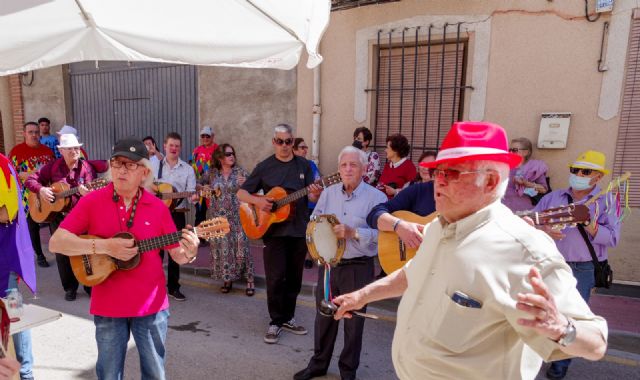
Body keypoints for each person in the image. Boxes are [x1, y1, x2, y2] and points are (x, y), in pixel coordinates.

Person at [333, 121, 608, 380]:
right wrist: (360, 296)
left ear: (489, 182)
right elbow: (414, 272)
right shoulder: (441, 227)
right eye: (437, 172)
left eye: (450, 173)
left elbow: (596, 342)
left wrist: (562, 329)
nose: (437, 182)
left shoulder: (523, 252)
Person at [48, 137, 200, 380]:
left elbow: (177, 254)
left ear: (144, 172)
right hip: (108, 305)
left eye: (130, 165)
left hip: (151, 307)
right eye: (117, 163)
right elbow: (57, 242)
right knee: (108, 374)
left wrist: (190, 252)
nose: (121, 170)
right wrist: (106, 246)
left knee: (154, 373)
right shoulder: (92, 202)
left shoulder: (158, 207)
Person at [294, 146, 387, 380]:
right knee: (324, 318)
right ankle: (318, 364)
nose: (347, 169)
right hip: (329, 267)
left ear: (364, 169)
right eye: (344, 165)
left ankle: (348, 371)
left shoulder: (377, 198)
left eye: (353, 165)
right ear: (338, 169)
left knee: (353, 323)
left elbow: (384, 237)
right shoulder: (329, 193)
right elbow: (317, 222)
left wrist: (354, 232)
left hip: (358, 267)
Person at [534, 150, 620, 380]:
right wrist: (542, 228)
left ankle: (558, 368)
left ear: (598, 177)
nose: (578, 174)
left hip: (582, 269)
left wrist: (590, 224)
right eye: (575, 170)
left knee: (569, 317)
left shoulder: (607, 201)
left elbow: (612, 238)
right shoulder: (554, 198)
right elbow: (530, 223)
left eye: (585, 171)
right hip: (550, 263)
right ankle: (535, 356)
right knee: (540, 311)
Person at [237, 123, 321, 344]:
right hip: (273, 232)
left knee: (294, 279)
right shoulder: (265, 167)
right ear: (274, 142)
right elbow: (242, 192)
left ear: (293, 142)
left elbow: (311, 199)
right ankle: (275, 321)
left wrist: (316, 194)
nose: (285, 146)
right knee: (275, 278)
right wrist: (259, 201)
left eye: (289, 141)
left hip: (298, 230)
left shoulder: (304, 165)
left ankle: (288, 318)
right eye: (280, 141)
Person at [24, 134, 99, 301]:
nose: (74, 151)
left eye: (77, 148)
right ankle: (70, 288)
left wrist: (87, 195)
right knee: (62, 254)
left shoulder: (86, 168)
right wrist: (41, 190)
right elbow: (30, 180)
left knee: (85, 251)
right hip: (59, 217)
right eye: (70, 148)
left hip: (82, 216)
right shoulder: (53, 167)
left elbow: (95, 194)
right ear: (62, 151)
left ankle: (89, 285)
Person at [0, 153, 37, 380]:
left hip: (6, 261)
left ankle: (25, 373)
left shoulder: (2, 165)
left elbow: (8, 212)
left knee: (14, 315)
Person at [201, 144, 254, 296]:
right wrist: (203, 189)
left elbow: (255, 189)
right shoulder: (212, 174)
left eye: (233, 153)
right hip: (218, 217)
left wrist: (246, 184)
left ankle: (250, 280)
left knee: (242, 247)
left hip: (238, 217)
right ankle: (227, 279)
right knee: (223, 249)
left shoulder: (240, 172)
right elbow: (199, 184)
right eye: (228, 154)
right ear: (220, 157)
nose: (232, 156)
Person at [152, 132, 198, 302]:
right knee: (155, 252)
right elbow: (148, 188)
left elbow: (191, 193)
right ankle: (154, 287)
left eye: (177, 146)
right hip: (157, 214)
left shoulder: (187, 169)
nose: (174, 148)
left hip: (177, 214)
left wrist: (193, 198)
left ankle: (173, 287)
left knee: (176, 251)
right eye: (171, 145)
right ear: (164, 146)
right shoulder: (154, 166)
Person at [366, 151, 437, 252]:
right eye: (423, 165)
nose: (426, 168)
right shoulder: (417, 190)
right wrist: (399, 226)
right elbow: (374, 214)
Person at [9, 121, 55, 268]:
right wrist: (31, 175)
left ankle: (57, 250)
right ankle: (39, 255)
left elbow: (54, 170)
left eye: (36, 132)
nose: (34, 135)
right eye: (31, 132)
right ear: (24, 133)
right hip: (27, 195)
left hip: (47, 191)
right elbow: (12, 174)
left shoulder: (47, 151)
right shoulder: (16, 152)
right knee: (32, 224)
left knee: (53, 220)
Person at [502, 137, 549, 212]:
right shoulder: (504, 166)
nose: (511, 153)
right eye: (509, 150)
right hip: (503, 209)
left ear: (526, 152)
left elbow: (544, 189)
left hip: (524, 211)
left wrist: (526, 183)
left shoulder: (535, 168)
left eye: (514, 150)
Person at [190, 126, 218, 236]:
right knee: (200, 213)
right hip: (200, 187)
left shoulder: (218, 150)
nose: (205, 138)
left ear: (213, 136)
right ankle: (199, 237)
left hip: (214, 187)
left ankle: (216, 237)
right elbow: (191, 167)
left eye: (208, 136)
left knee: (215, 212)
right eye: (203, 136)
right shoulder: (196, 150)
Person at [378, 134, 416, 198]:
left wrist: (395, 191)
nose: (385, 150)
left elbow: (412, 190)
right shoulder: (388, 165)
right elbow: (381, 184)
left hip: (398, 205)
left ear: (395, 150)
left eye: (387, 148)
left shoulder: (409, 167)